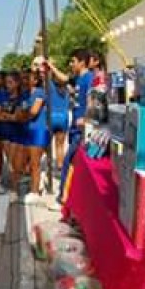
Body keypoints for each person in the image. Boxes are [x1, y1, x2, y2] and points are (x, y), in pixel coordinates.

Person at [48, 49, 94, 203]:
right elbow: (64, 78)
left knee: (68, 163)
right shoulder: (77, 78)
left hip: (82, 130)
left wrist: (86, 119)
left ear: (82, 62)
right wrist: (51, 67)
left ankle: (63, 198)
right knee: (74, 165)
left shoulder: (89, 79)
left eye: (73, 61)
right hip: (74, 129)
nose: (70, 64)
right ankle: (72, 199)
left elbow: (93, 102)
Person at [0, 71, 28, 198]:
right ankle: (14, 186)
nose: (7, 85)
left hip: (17, 134)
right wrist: (10, 116)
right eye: (6, 82)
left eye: (10, 82)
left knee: (15, 163)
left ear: (17, 83)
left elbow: (19, 118)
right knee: (9, 162)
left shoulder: (22, 97)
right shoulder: (2, 96)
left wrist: (6, 115)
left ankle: (14, 189)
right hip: (4, 134)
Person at [24, 65, 51, 203]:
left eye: (27, 78)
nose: (24, 80)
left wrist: (22, 115)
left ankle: (35, 191)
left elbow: (34, 112)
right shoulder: (27, 93)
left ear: (35, 80)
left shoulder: (39, 93)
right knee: (30, 161)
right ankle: (35, 185)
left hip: (38, 130)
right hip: (30, 129)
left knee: (35, 163)